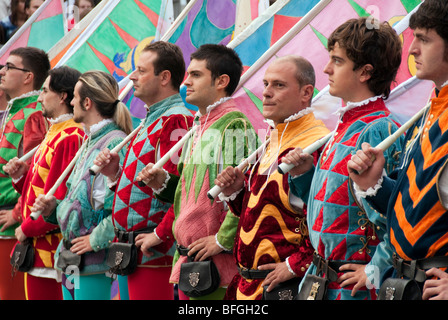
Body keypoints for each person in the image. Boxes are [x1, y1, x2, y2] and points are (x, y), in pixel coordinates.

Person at [283, 17, 403, 300]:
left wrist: (375, 269)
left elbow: (399, 214)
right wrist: (305, 174)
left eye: (336, 61)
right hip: (322, 280)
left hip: (355, 288)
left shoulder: (379, 130)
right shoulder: (345, 127)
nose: (326, 69)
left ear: (364, 72)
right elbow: (335, 207)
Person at [135, 44, 258, 300]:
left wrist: (222, 240)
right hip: (190, 261)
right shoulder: (197, 125)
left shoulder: (235, 124)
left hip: (216, 266)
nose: (186, 82)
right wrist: (162, 182)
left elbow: (246, 193)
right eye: (188, 74)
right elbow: (188, 196)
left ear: (222, 81)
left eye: (196, 75)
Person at [347, 0, 448, 300]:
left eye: (425, 39)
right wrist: (374, 184)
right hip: (408, 284)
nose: (413, 49)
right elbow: (417, 210)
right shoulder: (431, 110)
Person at [214, 55, 330, 300]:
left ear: (306, 92)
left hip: (281, 290)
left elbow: (325, 217)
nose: (266, 93)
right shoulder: (273, 138)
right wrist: (237, 193)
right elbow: (263, 215)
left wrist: (295, 265)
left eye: (279, 85)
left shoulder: (317, 141)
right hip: (246, 286)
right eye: (266, 84)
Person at [93, 41, 194, 300]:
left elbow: (179, 191)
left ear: (164, 77)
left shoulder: (175, 121)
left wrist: (159, 235)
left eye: (140, 70)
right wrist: (114, 173)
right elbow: (143, 188)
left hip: (152, 249)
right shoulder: (150, 120)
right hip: (132, 247)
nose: (132, 76)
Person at [32, 70, 132, 300]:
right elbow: (76, 199)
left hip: (93, 257)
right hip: (73, 256)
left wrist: (96, 240)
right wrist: (52, 208)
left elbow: (121, 204)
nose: (72, 101)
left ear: (87, 102)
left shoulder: (115, 142)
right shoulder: (89, 140)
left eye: (75, 97)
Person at [3, 65, 85, 300]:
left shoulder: (70, 136)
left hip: (50, 245)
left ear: (62, 96)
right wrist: (19, 176)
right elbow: (35, 191)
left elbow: (59, 198)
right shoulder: (56, 131)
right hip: (38, 243)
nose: (39, 97)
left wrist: (26, 227)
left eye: (45, 91)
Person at [0, 47, 49, 300]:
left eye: (9, 67)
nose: (2, 71)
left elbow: (37, 174)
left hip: (12, 224)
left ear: (28, 76)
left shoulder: (33, 114)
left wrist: (18, 210)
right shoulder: (16, 109)